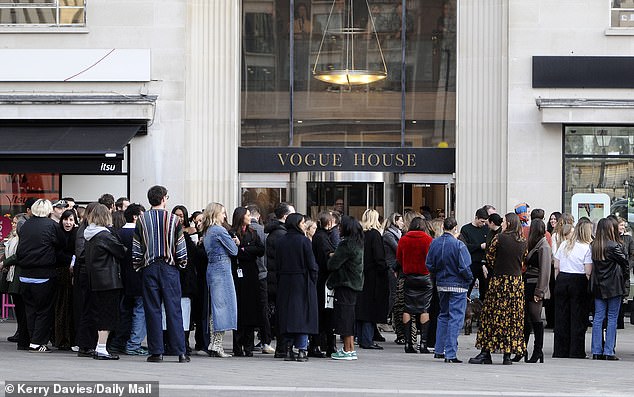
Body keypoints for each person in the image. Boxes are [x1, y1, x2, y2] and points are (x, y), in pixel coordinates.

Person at [132, 185, 189, 363]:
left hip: (149, 268)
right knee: (174, 310)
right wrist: (181, 263)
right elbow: (180, 247)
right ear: (164, 198)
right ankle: (180, 351)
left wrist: (138, 266)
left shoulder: (142, 219)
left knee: (152, 310)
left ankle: (157, 352)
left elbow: (137, 247)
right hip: (169, 268)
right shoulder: (174, 220)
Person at [469, 213, 526, 365]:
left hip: (500, 281)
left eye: (505, 222)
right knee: (512, 319)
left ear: (509, 223)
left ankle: (486, 352)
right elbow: (523, 260)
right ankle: (508, 354)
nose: (503, 224)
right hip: (516, 283)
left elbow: (490, 257)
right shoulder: (522, 241)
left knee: (491, 315)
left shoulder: (499, 238)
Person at [16, 199, 66, 352]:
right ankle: (37, 342)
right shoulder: (52, 225)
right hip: (44, 274)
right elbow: (61, 244)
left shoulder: (25, 225)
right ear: (48, 209)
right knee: (44, 310)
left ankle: (32, 340)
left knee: (30, 310)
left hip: (24, 274)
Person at [426, 217, 472, 363]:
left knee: (443, 315)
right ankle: (450, 353)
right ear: (455, 228)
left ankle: (439, 349)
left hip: (441, 283)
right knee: (455, 318)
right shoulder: (459, 245)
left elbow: (429, 264)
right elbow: (464, 267)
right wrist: (469, 279)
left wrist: (438, 273)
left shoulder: (435, 243)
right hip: (458, 285)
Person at [84, 204, 126, 360]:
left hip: (95, 280)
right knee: (108, 315)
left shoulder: (89, 234)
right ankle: (101, 348)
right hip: (109, 281)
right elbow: (121, 251)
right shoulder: (104, 235)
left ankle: (99, 346)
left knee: (100, 313)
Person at [275, 213, 319, 362]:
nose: (303, 225)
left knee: (287, 315)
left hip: (285, 282)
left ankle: (288, 350)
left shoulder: (281, 241)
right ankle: (301, 350)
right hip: (302, 281)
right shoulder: (304, 241)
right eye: (302, 223)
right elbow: (311, 264)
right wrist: (313, 279)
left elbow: (277, 264)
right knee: (303, 316)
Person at [202, 202, 239, 358]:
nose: (225, 216)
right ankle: (217, 345)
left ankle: (213, 343)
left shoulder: (208, 231)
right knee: (223, 307)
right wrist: (236, 241)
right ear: (216, 214)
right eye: (223, 213)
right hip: (222, 270)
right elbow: (234, 250)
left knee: (216, 308)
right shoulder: (219, 230)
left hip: (212, 269)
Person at [589, 218, 629, 361]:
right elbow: (625, 263)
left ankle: (596, 350)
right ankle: (608, 351)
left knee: (598, 318)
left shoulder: (594, 245)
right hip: (613, 285)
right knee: (612, 318)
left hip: (598, 285)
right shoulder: (613, 246)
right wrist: (624, 278)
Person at [513, 219, 551, 364]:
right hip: (528, 283)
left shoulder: (544, 247)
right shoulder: (536, 245)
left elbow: (545, 271)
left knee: (535, 318)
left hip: (535, 285)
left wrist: (540, 291)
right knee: (526, 319)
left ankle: (537, 350)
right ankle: (522, 349)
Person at [552, 220, 591, 359]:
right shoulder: (587, 248)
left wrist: (558, 280)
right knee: (577, 317)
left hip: (562, 279)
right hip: (578, 280)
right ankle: (576, 350)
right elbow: (588, 271)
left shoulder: (564, 244)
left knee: (561, 317)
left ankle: (560, 350)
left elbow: (556, 265)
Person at [327, 216, 364, 361]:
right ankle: (350, 349)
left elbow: (333, 264)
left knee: (345, 316)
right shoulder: (358, 243)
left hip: (345, 283)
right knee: (350, 315)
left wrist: (331, 256)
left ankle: (348, 350)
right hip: (355, 283)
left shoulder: (346, 245)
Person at [230, 206, 265, 357]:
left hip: (251, 273)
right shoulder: (231, 232)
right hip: (238, 274)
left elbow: (260, 250)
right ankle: (238, 345)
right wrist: (245, 249)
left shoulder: (253, 232)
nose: (249, 216)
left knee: (251, 309)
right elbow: (234, 253)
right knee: (239, 309)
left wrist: (243, 248)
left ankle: (249, 346)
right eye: (247, 214)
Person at [396, 217, 434, 354]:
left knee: (408, 308)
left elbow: (399, 258)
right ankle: (423, 344)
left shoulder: (403, 239)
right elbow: (432, 258)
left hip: (409, 277)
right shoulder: (428, 240)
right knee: (424, 309)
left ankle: (408, 344)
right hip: (425, 277)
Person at [116, 203, 148, 356]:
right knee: (140, 312)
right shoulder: (140, 234)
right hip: (139, 278)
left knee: (125, 312)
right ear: (136, 216)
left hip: (122, 278)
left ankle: (120, 342)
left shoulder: (118, 233)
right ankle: (134, 344)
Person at [264, 202, 295, 357]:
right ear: (285, 216)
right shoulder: (281, 234)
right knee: (281, 313)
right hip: (278, 279)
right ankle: (282, 347)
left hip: (274, 278)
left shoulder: (276, 232)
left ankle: (281, 347)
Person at [355, 209, 389, 350]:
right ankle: (367, 339)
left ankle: (359, 337)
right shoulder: (375, 235)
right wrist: (385, 269)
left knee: (360, 308)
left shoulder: (359, 234)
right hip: (373, 276)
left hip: (360, 274)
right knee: (370, 309)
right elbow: (379, 257)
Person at [246, 204, 275, 355]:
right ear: (257, 216)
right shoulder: (263, 231)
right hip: (262, 273)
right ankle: (266, 341)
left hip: (248, 274)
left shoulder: (243, 230)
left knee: (249, 308)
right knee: (263, 309)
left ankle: (248, 342)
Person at [311, 211, 338, 357]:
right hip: (324, 279)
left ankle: (325, 344)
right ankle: (324, 344)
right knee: (325, 312)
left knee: (325, 312)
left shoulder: (320, 236)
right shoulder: (322, 237)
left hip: (322, 278)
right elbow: (326, 257)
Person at [2, 213, 29, 350]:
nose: (13, 225)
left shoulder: (22, 239)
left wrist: (4, 262)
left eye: (15, 222)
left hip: (18, 275)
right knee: (17, 305)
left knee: (22, 306)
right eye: (12, 222)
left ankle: (22, 332)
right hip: (11, 275)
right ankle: (19, 331)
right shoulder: (12, 238)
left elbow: (18, 255)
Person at [53, 209, 78, 350]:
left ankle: (71, 339)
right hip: (60, 274)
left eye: (71, 220)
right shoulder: (57, 233)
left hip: (72, 275)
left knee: (71, 308)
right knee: (60, 307)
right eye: (66, 219)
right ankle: (61, 339)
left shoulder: (77, 234)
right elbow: (56, 254)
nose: (68, 223)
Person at [382, 212, 405, 344]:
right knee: (393, 294)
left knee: (395, 293)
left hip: (397, 266)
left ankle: (389, 317)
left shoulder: (398, 234)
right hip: (391, 267)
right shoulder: (389, 235)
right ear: (395, 221)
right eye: (401, 221)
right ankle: (386, 317)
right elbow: (398, 249)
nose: (402, 223)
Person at [460, 208, 489, 300]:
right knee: (467, 288)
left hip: (483, 263)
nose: (483, 224)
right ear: (476, 218)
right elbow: (465, 247)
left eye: (485, 222)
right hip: (471, 263)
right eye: (482, 221)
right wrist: (479, 246)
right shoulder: (466, 229)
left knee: (484, 289)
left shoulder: (486, 229)